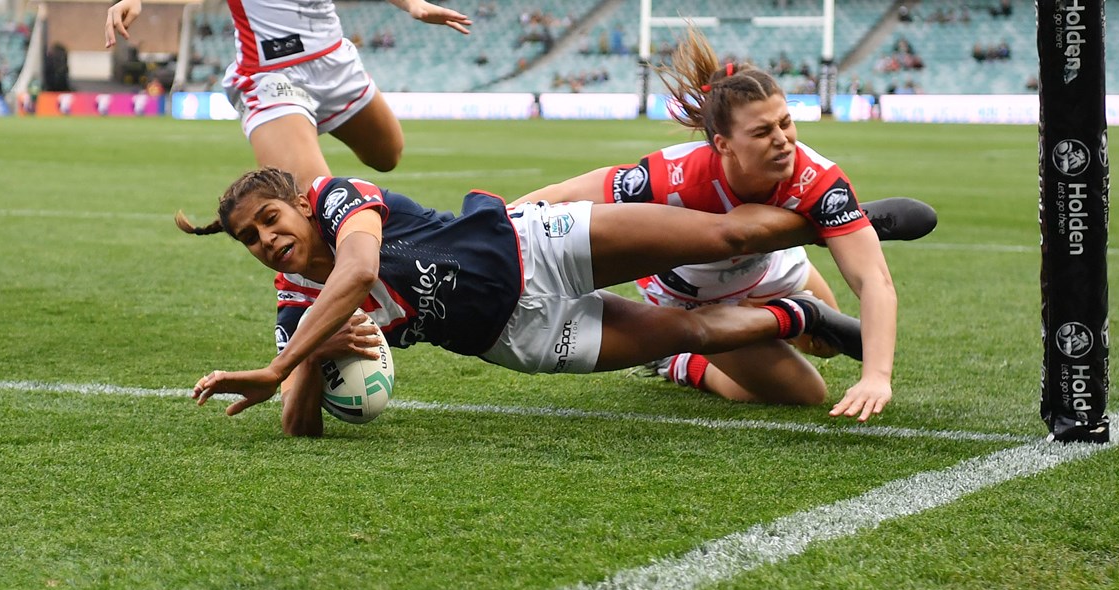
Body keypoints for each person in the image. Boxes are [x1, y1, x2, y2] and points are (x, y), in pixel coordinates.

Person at [185, 167, 867, 437]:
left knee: (724, 236)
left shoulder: (338, 196)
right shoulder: (295, 304)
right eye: (250, 238)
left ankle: (840, 218)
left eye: (272, 219)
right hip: (522, 336)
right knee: (687, 333)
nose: (267, 240)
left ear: (302, 204)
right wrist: (309, 358)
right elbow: (301, 428)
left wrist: (281, 362)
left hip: (533, 244)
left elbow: (360, 266)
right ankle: (799, 316)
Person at [510, 29, 933, 419]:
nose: (784, 139)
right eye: (763, 131)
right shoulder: (676, 175)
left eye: (786, 122)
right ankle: (677, 361)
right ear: (723, 145)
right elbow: (570, 192)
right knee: (805, 393)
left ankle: (785, 305)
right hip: (693, 297)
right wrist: (498, 221)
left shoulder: (819, 179)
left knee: (822, 346)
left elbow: (874, 280)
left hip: (773, 265)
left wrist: (877, 376)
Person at [104, 0, 472, 189]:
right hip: (272, 75)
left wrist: (414, 5)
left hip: (334, 61)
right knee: (314, 203)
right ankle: (320, 315)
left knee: (387, 155)